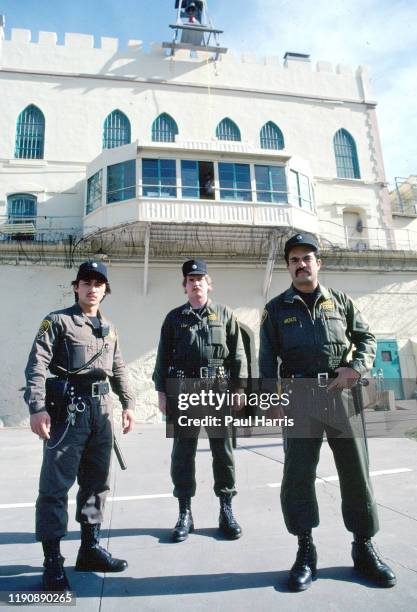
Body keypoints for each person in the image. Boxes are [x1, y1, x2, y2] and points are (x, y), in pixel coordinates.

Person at [259, 233, 396, 591]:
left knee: (355, 473)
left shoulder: (342, 302)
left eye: (307, 258)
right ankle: (305, 551)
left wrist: (357, 367)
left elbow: (367, 339)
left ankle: (363, 547)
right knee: (298, 476)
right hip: (300, 397)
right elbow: (265, 359)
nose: (300, 264)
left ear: (318, 263)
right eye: (294, 260)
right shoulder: (276, 310)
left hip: (342, 395)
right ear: (288, 267)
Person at [25, 261, 135, 591]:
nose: (92, 288)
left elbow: (118, 369)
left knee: (96, 484)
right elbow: (37, 365)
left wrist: (128, 404)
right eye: (86, 282)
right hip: (68, 411)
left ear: (105, 290)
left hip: (101, 413)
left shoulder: (110, 328)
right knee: (55, 487)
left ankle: (89, 548)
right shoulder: (57, 321)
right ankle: (53, 561)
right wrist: (37, 407)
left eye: (98, 283)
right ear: (76, 287)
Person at [153, 259, 247, 542]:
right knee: (183, 453)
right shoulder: (174, 318)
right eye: (190, 279)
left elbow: (237, 355)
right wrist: (161, 392)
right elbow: (163, 357)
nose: (196, 283)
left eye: (200, 278)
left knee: (224, 451)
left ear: (209, 283)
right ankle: (185, 513)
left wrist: (239, 389)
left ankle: (226, 510)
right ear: (184, 286)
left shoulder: (225, 314)